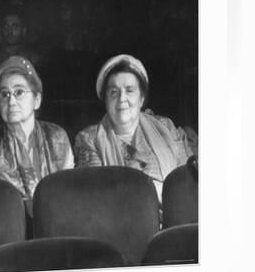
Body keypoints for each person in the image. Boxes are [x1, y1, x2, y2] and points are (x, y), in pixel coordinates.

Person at [74, 54, 194, 202]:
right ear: (105, 100)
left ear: (141, 98)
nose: (122, 99)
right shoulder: (90, 140)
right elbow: (96, 198)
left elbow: (185, 182)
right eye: (114, 92)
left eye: (129, 90)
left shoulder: (166, 128)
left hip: (172, 219)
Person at [0, 56, 74, 219]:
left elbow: (67, 194)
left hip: (60, 224)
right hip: (11, 230)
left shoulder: (58, 137)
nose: (11, 101)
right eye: (4, 94)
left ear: (37, 100)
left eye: (19, 92)